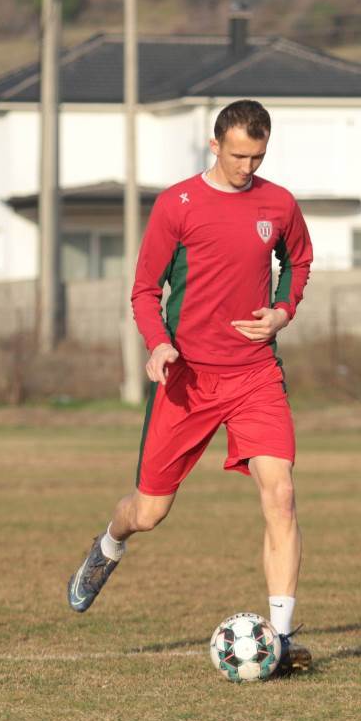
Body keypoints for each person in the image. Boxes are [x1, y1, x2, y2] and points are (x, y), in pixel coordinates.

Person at [66, 99, 314, 672]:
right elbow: (144, 289)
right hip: (188, 379)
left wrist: (282, 311)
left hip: (255, 374)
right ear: (214, 145)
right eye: (238, 155)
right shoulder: (177, 205)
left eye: (257, 157)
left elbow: (298, 262)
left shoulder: (279, 204)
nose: (247, 167)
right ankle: (108, 544)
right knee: (149, 512)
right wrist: (158, 343)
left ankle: (279, 641)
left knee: (281, 495)